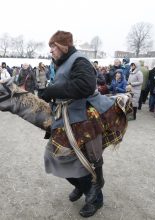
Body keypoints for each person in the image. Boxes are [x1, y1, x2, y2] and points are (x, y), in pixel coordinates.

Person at [40, 30, 117, 217]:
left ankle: (96, 198)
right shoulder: (64, 62)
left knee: (88, 159)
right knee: (54, 155)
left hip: (84, 118)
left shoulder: (79, 60)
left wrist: (52, 90)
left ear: (61, 46)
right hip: (68, 117)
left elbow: (85, 86)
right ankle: (82, 187)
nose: (51, 52)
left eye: (53, 48)